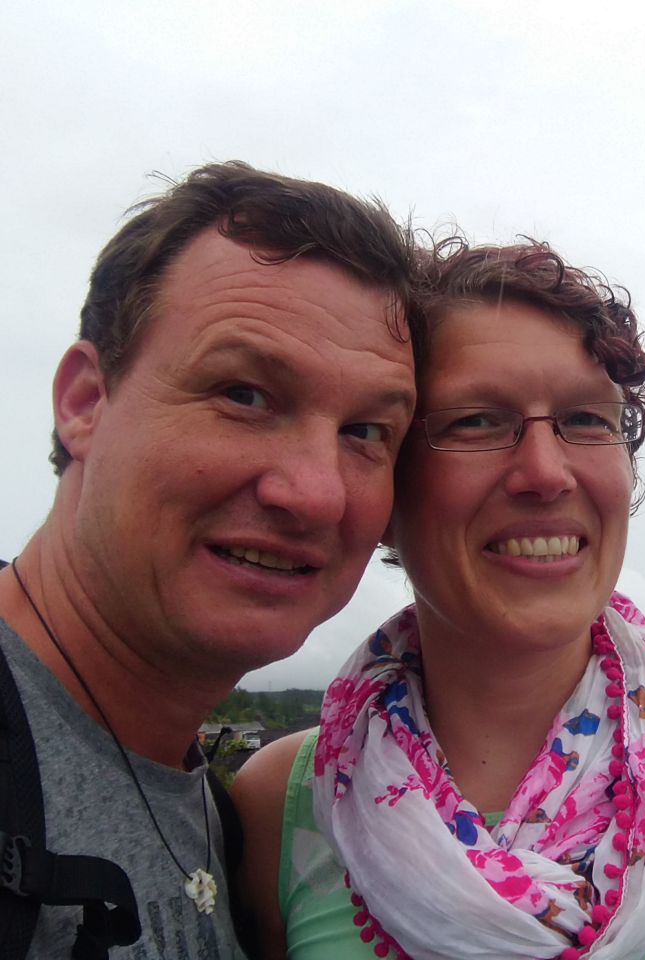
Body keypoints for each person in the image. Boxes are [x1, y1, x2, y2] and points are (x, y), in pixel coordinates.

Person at [233, 240, 645, 960]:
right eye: (477, 421)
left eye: (586, 419)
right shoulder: (284, 805)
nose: (545, 473)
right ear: (387, 475)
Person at [0, 161, 423, 958]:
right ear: (86, 402)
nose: (316, 494)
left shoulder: (239, 836)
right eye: (245, 394)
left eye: (367, 431)